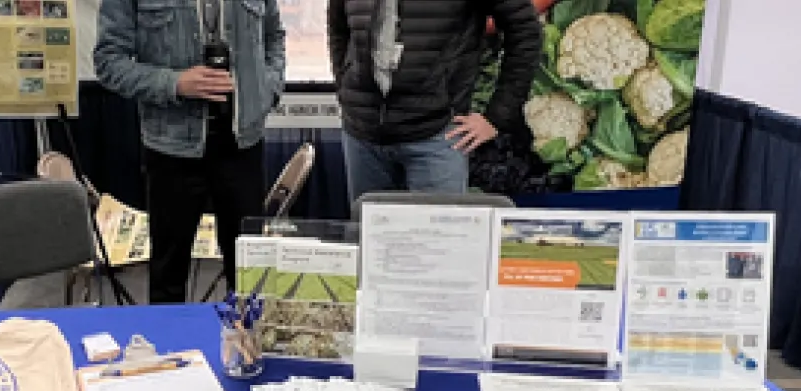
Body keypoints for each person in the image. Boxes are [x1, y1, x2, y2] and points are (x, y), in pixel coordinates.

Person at [96, 0, 285, 304]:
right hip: (171, 150)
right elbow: (109, 61)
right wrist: (175, 83)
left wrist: (268, 89)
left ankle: (245, 336)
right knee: (167, 280)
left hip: (243, 146)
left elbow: (274, 37)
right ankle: (169, 337)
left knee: (248, 278)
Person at [328, 0, 540, 199]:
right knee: (367, 226)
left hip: (436, 137)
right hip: (363, 137)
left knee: (438, 227)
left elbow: (524, 29)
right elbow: (338, 27)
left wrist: (497, 117)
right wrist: (346, 85)